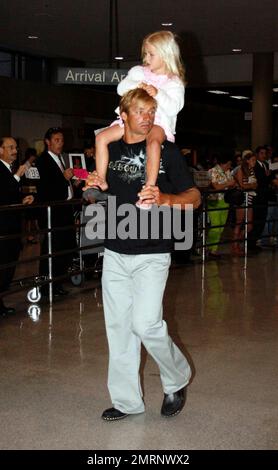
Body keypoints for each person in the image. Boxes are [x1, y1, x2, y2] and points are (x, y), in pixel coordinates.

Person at [84, 88, 200, 420]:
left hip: (153, 252)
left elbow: (194, 199)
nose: (148, 118)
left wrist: (164, 199)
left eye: (152, 112)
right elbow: (96, 192)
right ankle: (126, 402)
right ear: (123, 115)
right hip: (116, 251)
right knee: (118, 328)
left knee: (146, 324)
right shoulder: (110, 147)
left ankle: (176, 377)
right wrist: (95, 188)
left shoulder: (167, 152)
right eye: (140, 112)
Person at [88, 30, 185, 208]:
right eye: (145, 53)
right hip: (131, 121)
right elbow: (121, 88)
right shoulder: (139, 72)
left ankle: (148, 190)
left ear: (166, 55)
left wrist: (158, 94)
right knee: (101, 137)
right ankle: (100, 180)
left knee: (153, 145)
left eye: (151, 54)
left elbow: (174, 108)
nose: (146, 58)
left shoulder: (174, 82)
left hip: (159, 122)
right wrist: (136, 86)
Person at [36, 127, 76, 297]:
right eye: (57, 140)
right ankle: (47, 285)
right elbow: (46, 189)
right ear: (48, 142)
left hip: (64, 210)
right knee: (52, 248)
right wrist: (64, 179)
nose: (60, 143)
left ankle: (58, 281)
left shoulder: (60, 159)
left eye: (62, 140)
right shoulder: (43, 161)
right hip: (53, 212)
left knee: (64, 247)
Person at [0, 137, 34, 316]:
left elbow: (9, 195)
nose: (15, 150)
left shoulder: (10, 170)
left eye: (15, 147)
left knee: (9, 265)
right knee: (3, 266)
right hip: (3, 228)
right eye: (10, 147)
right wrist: (17, 176)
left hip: (12, 227)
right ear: (0, 150)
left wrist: (22, 200)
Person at [207, 153, 236, 258]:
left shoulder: (227, 172)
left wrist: (230, 184)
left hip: (225, 200)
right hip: (214, 201)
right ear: (224, 163)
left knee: (221, 226)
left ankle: (213, 249)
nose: (230, 166)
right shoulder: (212, 171)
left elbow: (233, 183)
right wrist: (228, 184)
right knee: (215, 225)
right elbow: (216, 186)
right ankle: (210, 247)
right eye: (229, 164)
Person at [232, 150, 257, 256]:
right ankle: (235, 246)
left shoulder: (251, 170)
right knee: (239, 223)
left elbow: (255, 183)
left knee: (249, 225)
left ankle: (237, 242)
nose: (254, 162)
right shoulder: (240, 169)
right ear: (247, 161)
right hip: (242, 199)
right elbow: (242, 185)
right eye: (252, 160)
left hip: (250, 198)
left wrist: (252, 185)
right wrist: (251, 186)